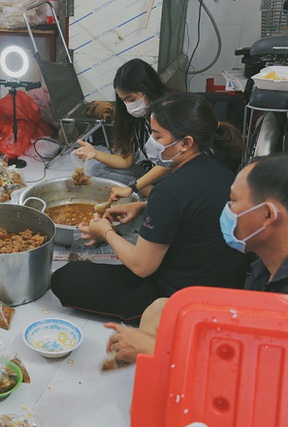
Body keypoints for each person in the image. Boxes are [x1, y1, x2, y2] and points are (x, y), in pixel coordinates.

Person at [51, 93, 249, 322]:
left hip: (178, 298)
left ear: (186, 143)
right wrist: (145, 206)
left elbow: (141, 266)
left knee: (65, 279)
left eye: (157, 135)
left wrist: (104, 230)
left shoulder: (170, 190)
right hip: (221, 286)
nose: (151, 142)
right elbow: (191, 210)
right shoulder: (220, 171)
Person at [105, 152, 288, 364]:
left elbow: (261, 373)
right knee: (160, 309)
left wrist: (156, 349)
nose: (227, 210)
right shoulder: (265, 268)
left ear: (267, 214)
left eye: (233, 201)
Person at [73, 59, 171, 193]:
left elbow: (170, 164)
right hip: (154, 171)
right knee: (97, 170)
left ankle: (154, 194)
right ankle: (149, 190)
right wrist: (94, 153)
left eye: (131, 99)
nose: (128, 105)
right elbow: (126, 161)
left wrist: (133, 187)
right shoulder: (135, 117)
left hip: (176, 175)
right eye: (123, 100)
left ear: (148, 89)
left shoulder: (169, 112)